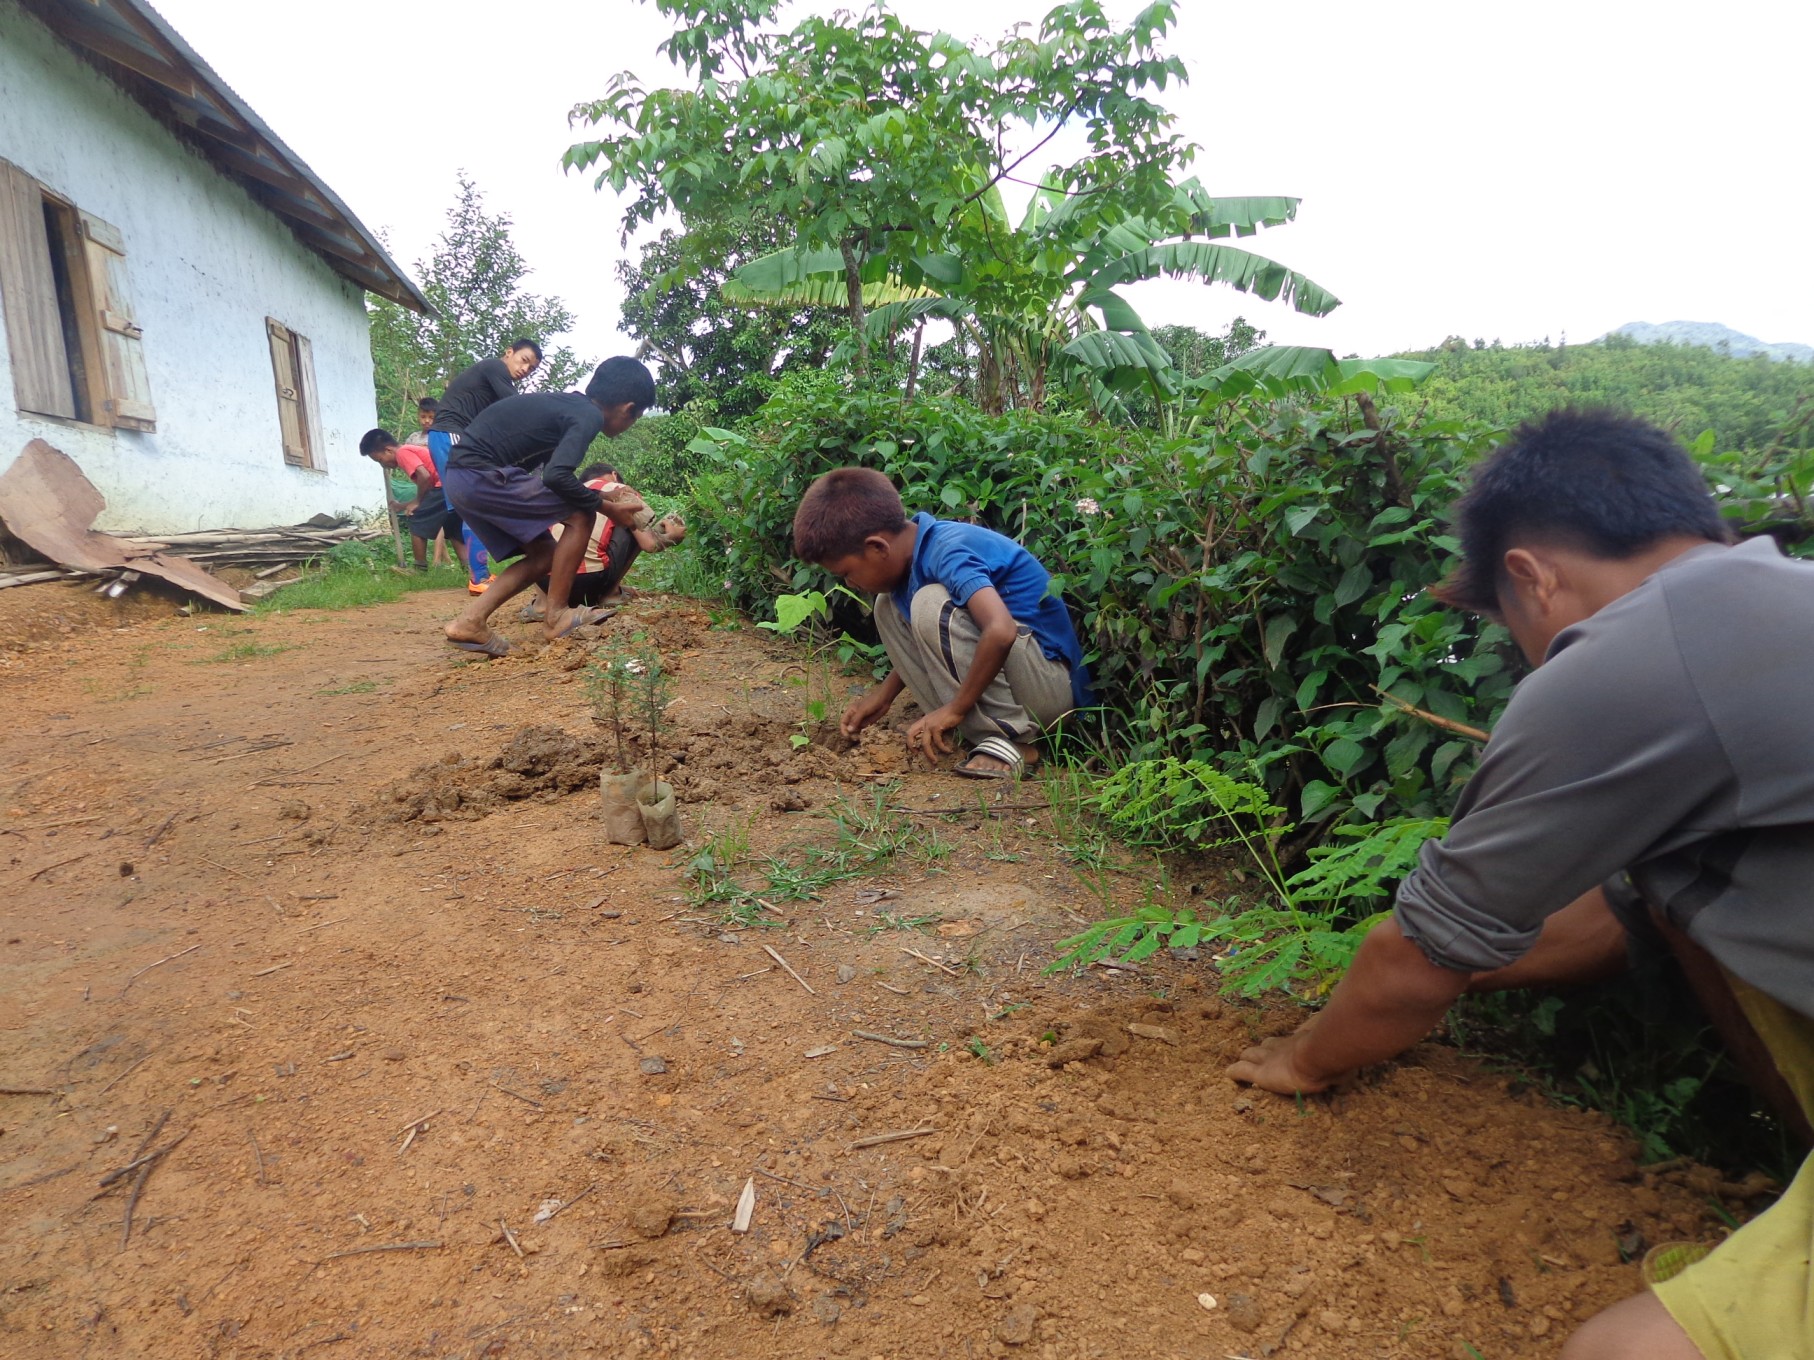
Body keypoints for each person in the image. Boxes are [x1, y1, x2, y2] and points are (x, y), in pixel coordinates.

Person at [1224, 409, 1814, 1360]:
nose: (1528, 656)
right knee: (1666, 891)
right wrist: (1445, 971)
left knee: (1614, 1356)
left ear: (1530, 576)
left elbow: (1421, 953)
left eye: (1510, 631)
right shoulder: (1770, 594)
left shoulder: (1635, 652)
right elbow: (1615, 916)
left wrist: (1309, 1059)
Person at [791, 466, 1092, 779]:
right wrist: (884, 696)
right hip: (1017, 684)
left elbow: (1000, 631)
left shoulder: (948, 550)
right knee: (887, 606)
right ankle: (973, 730)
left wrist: (955, 708)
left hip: (1049, 690)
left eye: (846, 573)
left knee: (930, 603)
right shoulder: (914, 561)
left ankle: (1013, 741)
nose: (850, 583)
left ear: (878, 547)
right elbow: (935, 640)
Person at [440, 357, 656, 655]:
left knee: (544, 554)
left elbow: (555, 480)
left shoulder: (567, 408)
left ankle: (469, 622)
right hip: (480, 473)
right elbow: (556, 477)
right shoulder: (589, 416)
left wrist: (603, 498)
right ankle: (556, 615)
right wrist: (605, 508)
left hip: (463, 477)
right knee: (582, 515)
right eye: (636, 417)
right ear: (628, 408)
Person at [429, 342, 544, 594]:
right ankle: (479, 577)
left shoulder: (489, 384)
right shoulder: (495, 367)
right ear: (509, 352)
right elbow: (517, 407)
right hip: (452, 435)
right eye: (524, 360)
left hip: (448, 437)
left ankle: (478, 574)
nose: (525, 369)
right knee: (475, 505)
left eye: (531, 368)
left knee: (468, 507)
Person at [518, 464, 687, 620]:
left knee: (545, 531)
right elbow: (649, 544)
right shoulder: (619, 490)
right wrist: (671, 537)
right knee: (630, 519)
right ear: (614, 475)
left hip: (548, 583)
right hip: (589, 584)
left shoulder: (566, 491)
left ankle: (541, 604)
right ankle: (611, 594)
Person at [359, 429, 466, 573]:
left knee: (416, 518)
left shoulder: (402, 453)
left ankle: (419, 569)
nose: (382, 465)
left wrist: (416, 502)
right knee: (452, 527)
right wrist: (403, 505)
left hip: (442, 486)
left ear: (388, 450)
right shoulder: (409, 450)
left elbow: (425, 476)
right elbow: (427, 492)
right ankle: (469, 568)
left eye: (380, 460)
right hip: (452, 484)